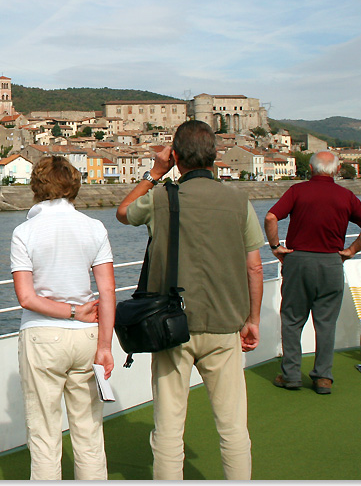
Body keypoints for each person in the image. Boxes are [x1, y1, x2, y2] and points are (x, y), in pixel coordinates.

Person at [115, 120, 263, 481]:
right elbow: (254, 268)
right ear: (214, 157)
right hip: (225, 325)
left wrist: (154, 172)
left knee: (168, 429)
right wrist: (252, 319)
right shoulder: (238, 200)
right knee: (233, 429)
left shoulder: (162, 197)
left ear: (177, 157)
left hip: (171, 327)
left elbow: (123, 213)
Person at [10, 155, 116, 480]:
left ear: (37, 187)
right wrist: (105, 346)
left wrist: (69, 311)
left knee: (44, 435)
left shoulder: (24, 232)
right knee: (88, 432)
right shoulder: (94, 228)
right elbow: (108, 293)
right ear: (73, 185)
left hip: (42, 338)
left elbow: (26, 297)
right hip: (87, 336)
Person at [264, 150, 361, 395]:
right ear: (337, 170)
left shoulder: (297, 191)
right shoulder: (346, 196)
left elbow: (272, 217)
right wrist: (350, 251)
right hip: (331, 263)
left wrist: (276, 248)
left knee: (293, 321)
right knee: (326, 323)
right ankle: (323, 378)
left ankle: (291, 375)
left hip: (298, 262)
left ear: (311, 169)